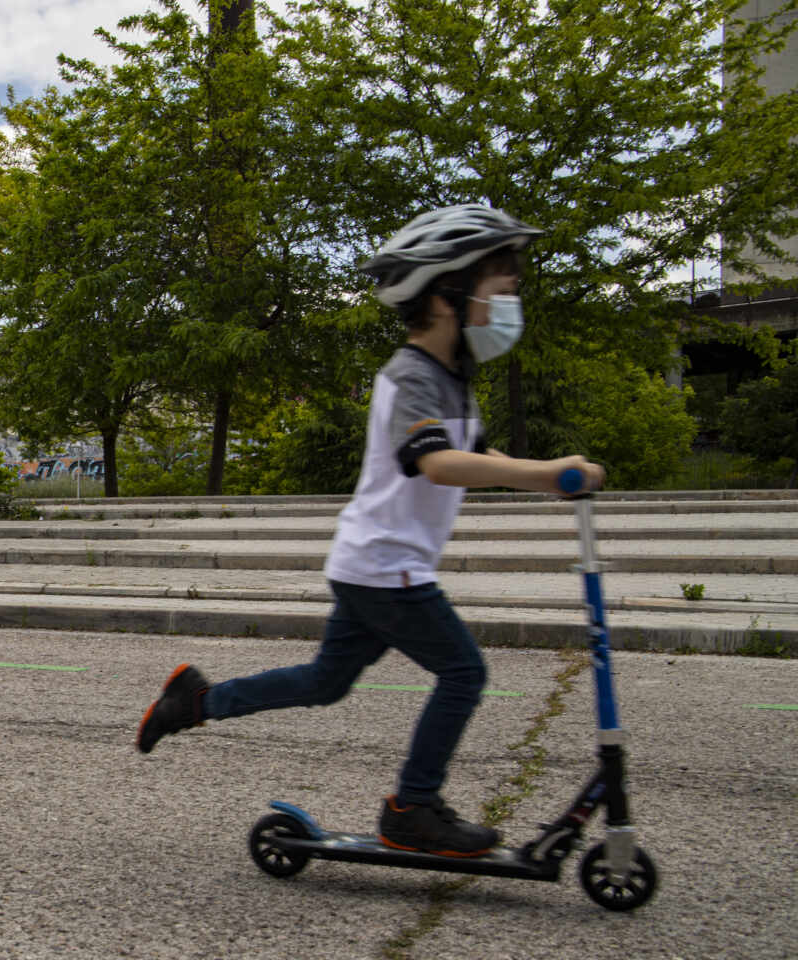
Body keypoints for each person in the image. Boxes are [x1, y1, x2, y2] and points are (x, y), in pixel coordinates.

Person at [136, 205, 605, 857]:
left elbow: (477, 457)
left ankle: (196, 701)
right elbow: (436, 463)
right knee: (464, 673)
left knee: (326, 683)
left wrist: (551, 478)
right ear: (447, 295)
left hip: (373, 564)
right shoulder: (412, 376)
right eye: (503, 291)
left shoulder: (453, 379)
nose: (510, 306)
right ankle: (412, 808)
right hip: (389, 570)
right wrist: (545, 472)